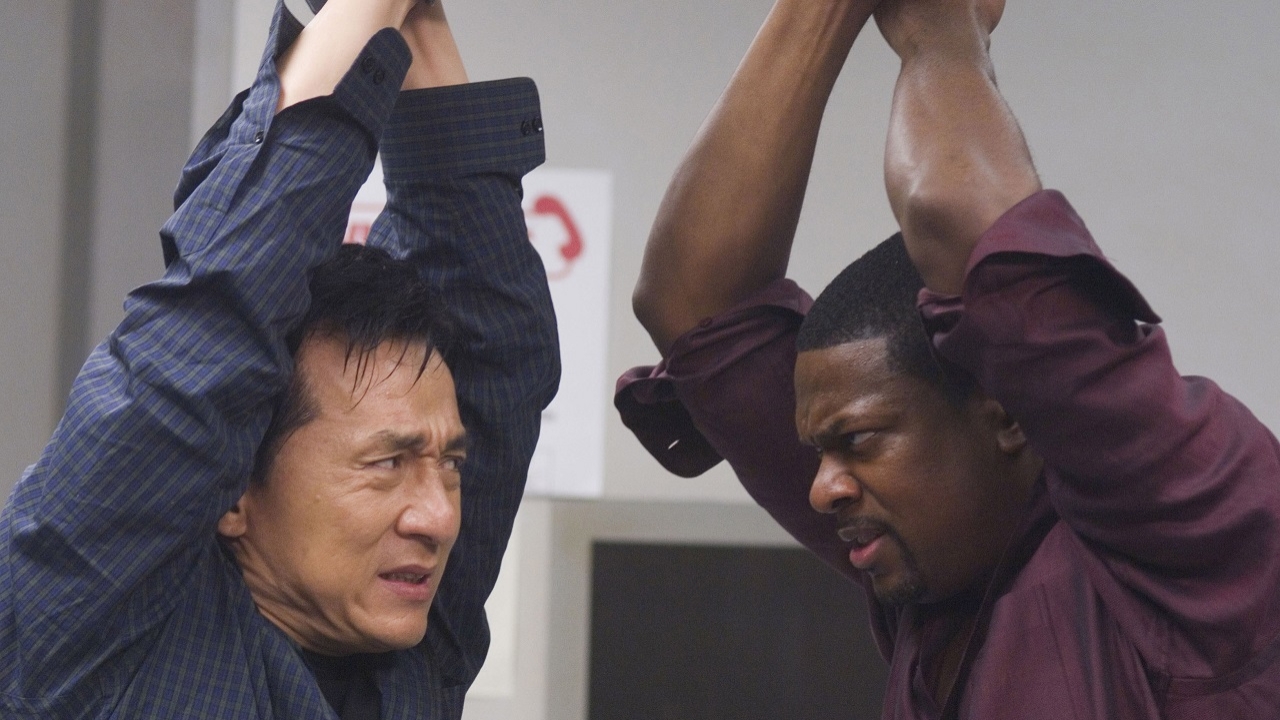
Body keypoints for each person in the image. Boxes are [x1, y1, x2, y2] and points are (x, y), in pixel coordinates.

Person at [616, 0, 1280, 716]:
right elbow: (693, 305)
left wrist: (943, 29)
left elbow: (955, 216)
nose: (820, 490)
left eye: (857, 441)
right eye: (819, 452)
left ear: (1006, 417)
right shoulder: (934, 561)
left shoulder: (1188, 524)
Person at [0, 0, 559, 718]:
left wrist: (405, 13)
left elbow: (497, 346)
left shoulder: (409, 646)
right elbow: (222, 313)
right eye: (388, 462)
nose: (440, 517)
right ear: (234, 490)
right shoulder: (91, 629)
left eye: (449, 464)